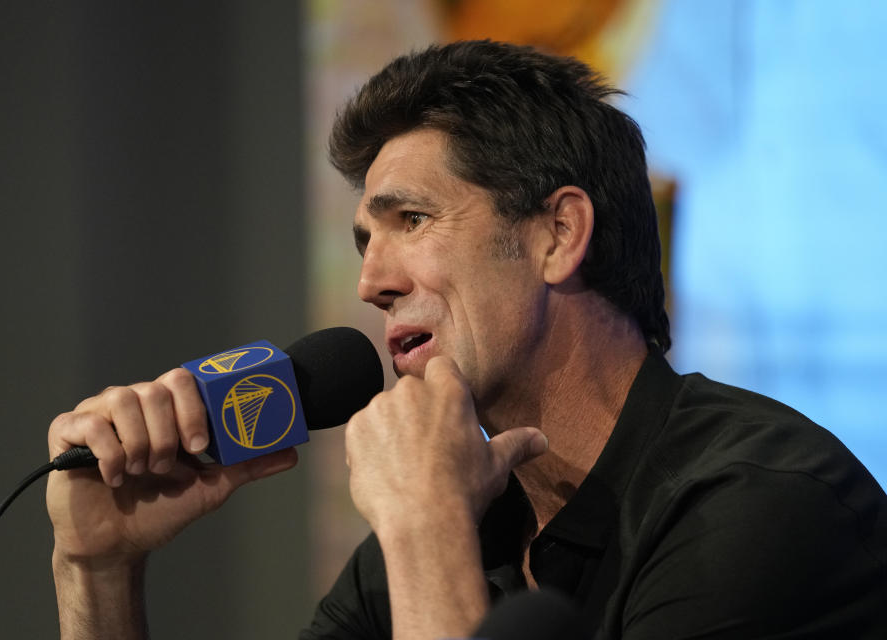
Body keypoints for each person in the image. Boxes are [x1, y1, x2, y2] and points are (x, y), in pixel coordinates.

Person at [46, 40, 887, 639]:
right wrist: (99, 572)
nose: (372, 282)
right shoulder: (461, 522)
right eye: (364, 245)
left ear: (558, 235)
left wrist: (423, 533)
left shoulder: (761, 508)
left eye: (410, 220)